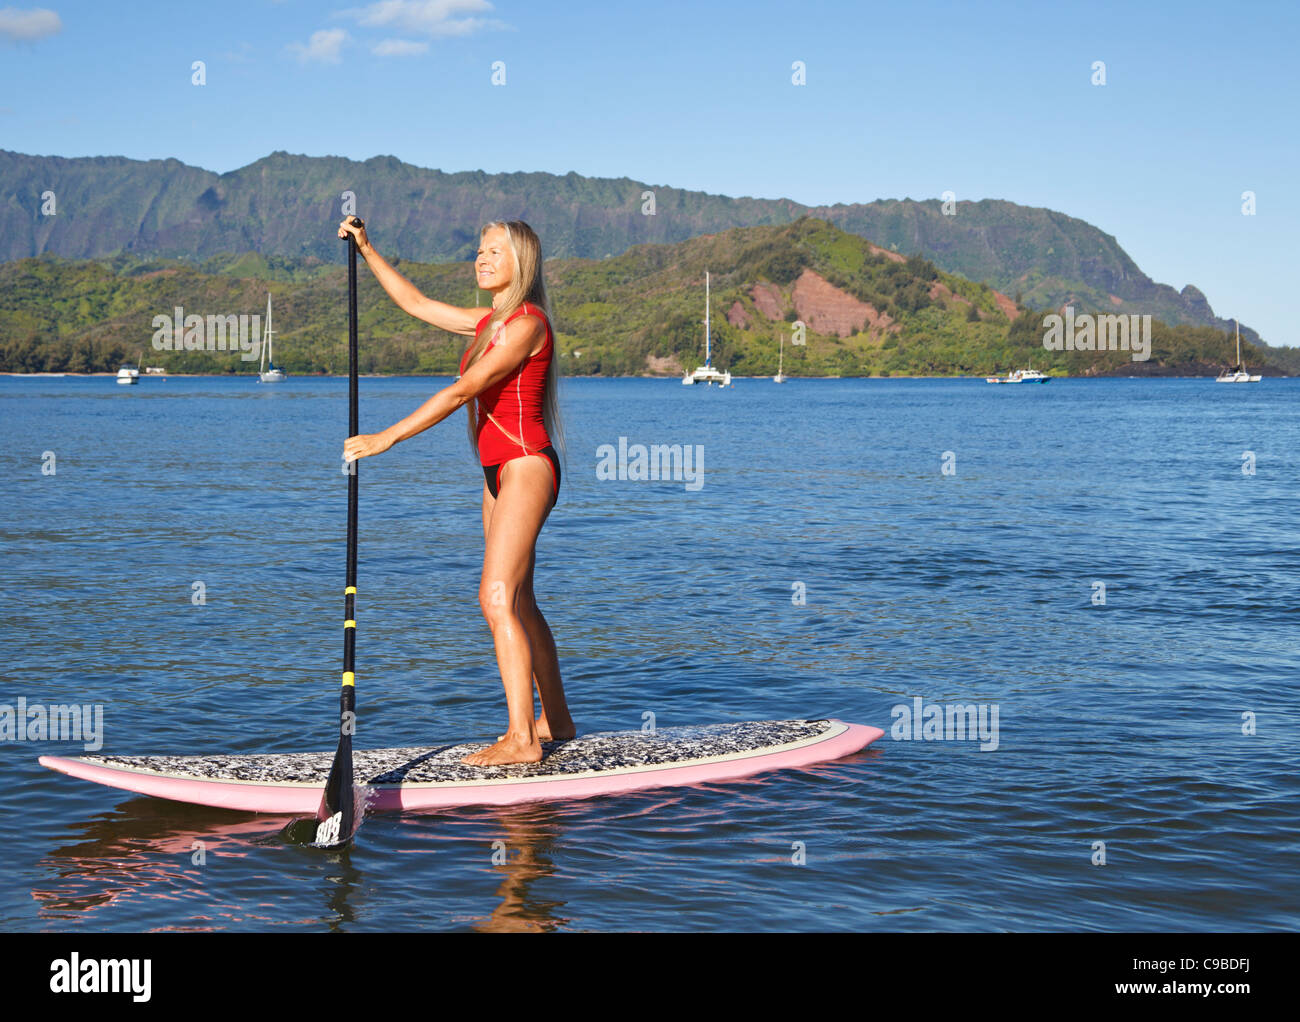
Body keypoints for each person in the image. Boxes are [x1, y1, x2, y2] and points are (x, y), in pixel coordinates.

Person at [338, 216, 574, 766]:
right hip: (497, 475)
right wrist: (368, 249)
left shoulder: (527, 325)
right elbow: (417, 304)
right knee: (519, 600)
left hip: (525, 465)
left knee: (494, 597)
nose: (481, 258)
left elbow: (465, 387)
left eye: (495, 251)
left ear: (522, 264)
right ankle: (556, 719)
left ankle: (521, 740)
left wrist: (385, 438)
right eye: (479, 249)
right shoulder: (487, 322)